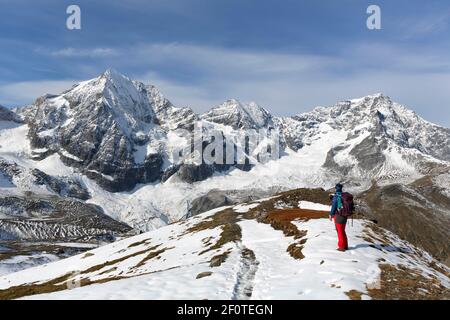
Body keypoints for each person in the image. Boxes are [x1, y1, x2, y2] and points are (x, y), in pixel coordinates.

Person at [330, 183, 353, 252]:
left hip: (338, 216)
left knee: (339, 231)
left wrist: (331, 214)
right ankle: (345, 245)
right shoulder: (345, 196)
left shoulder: (336, 196)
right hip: (345, 216)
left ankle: (341, 247)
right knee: (342, 231)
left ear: (336, 188)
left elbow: (334, 206)